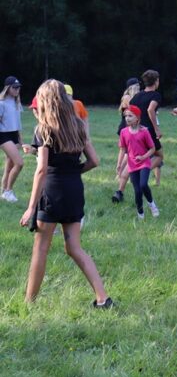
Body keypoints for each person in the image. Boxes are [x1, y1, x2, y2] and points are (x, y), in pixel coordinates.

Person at [19, 80, 112, 308]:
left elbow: (41, 169)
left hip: (52, 192)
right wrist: (72, 172)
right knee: (74, 248)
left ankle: (29, 303)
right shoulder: (78, 126)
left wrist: (31, 207)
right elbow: (94, 161)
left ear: (46, 101)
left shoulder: (43, 129)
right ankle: (103, 298)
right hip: (74, 190)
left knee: (41, 248)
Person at [116, 104, 159, 219]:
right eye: (126, 116)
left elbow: (152, 149)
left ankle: (152, 204)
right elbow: (122, 150)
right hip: (132, 165)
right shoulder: (124, 132)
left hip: (144, 163)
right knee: (137, 191)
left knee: (143, 184)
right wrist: (119, 164)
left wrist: (143, 157)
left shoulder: (144, 132)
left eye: (130, 116)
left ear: (137, 118)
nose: (127, 118)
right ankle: (140, 214)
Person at [129, 69, 164, 185]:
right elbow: (150, 109)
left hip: (136, 130)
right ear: (156, 81)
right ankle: (143, 171)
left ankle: (137, 173)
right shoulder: (155, 95)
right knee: (159, 156)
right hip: (148, 130)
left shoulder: (136, 97)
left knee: (142, 154)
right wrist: (156, 129)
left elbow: (130, 112)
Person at [113, 78, 141, 203]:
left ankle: (121, 173)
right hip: (125, 128)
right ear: (132, 87)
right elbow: (130, 112)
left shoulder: (134, 97)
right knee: (126, 152)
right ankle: (119, 172)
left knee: (128, 153)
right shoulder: (127, 97)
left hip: (130, 127)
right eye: (137, 86)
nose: (139, 88)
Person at [0, 76, 24, 203]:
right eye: (14, 87)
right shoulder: (1, 103)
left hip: (14, 135)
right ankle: (8, 191)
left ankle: (3, 191)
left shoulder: (17, 103)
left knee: (9, 165)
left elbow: (18, 123)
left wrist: (20, 139)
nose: (17, 90)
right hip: (3, 135)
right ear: (8, 88)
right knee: (19, 163)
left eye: (18, 87)